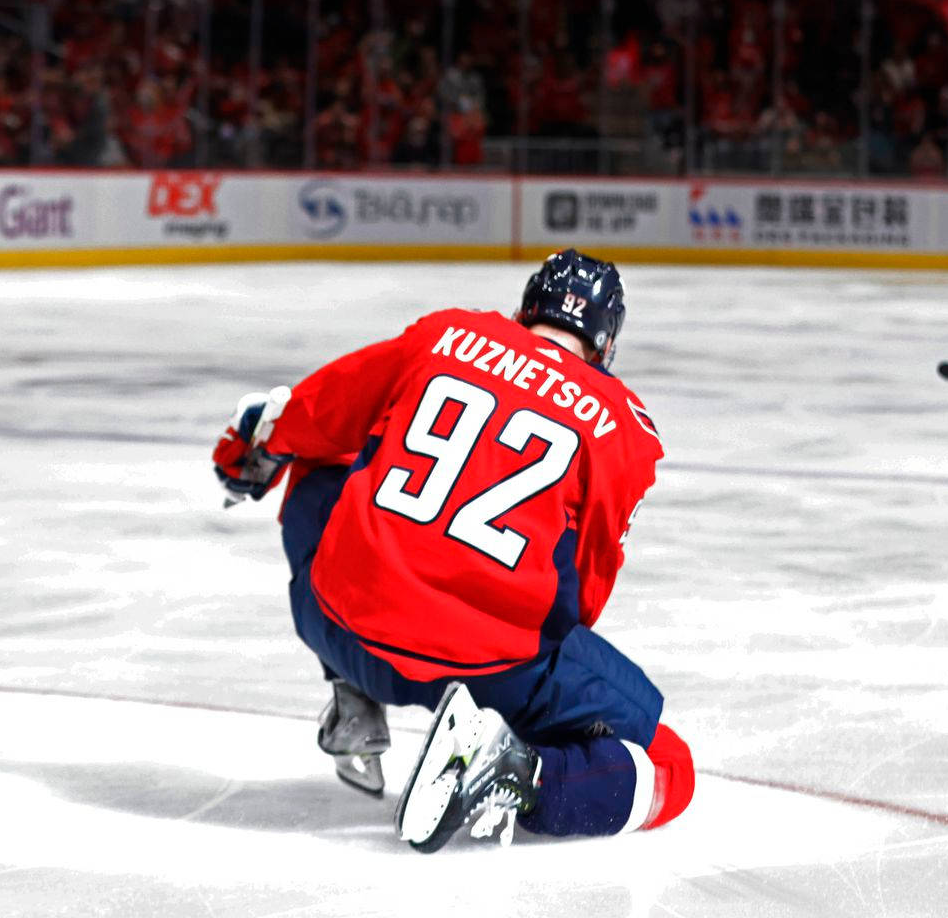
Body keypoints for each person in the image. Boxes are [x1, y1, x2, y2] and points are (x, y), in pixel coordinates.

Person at [212, 249, 695, 852]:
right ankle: (520, 773)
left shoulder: (446, 334)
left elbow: (314, 409)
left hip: (339, 628)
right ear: (606, 342)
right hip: (488, 674)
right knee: (670, 765)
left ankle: (351, 696)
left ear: (526, 308)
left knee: (325, 451)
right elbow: (586, 594)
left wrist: (248, 456)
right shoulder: (624, 426)